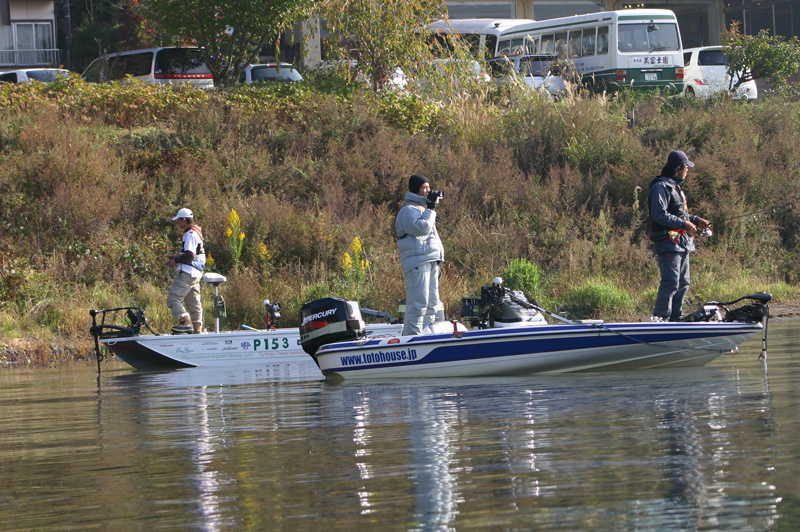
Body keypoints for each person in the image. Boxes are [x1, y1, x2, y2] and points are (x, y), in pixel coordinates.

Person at [648, 151, 710, 322]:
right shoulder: (660, 187)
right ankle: (661, 318)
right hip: (668, 242)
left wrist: (696, 220)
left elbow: (681, 215)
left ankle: (676, 318)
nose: (687, 171)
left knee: (683, 283)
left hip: (682, 243)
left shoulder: (677, 188)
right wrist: (683, 224)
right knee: (671, 281)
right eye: (686, 167)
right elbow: (658, 214)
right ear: (678, 169)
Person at [396, 174, 445, 335]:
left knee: (432, 303)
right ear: (415, 189)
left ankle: (426, 336)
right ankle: (411, 339)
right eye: (424, 187)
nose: (428, 191)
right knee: (418, 303)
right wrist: (431, 209)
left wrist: (438, 260)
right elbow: (420, 228)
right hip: (417, 263)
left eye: (429, 187)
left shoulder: (423, 209)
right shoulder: (408, 210)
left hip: (429, 260)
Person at [166, 208, 207, 334]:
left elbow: (189, 255)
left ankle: (185, 321)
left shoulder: (189, 234)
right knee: (193, 302)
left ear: (184, 219)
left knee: (173, 299)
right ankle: (197, 330)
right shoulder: (196, 233)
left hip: (187, 273)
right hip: (196, 274)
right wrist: (177, 257)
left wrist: (176, 261)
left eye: (178, 220)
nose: (178, 224)